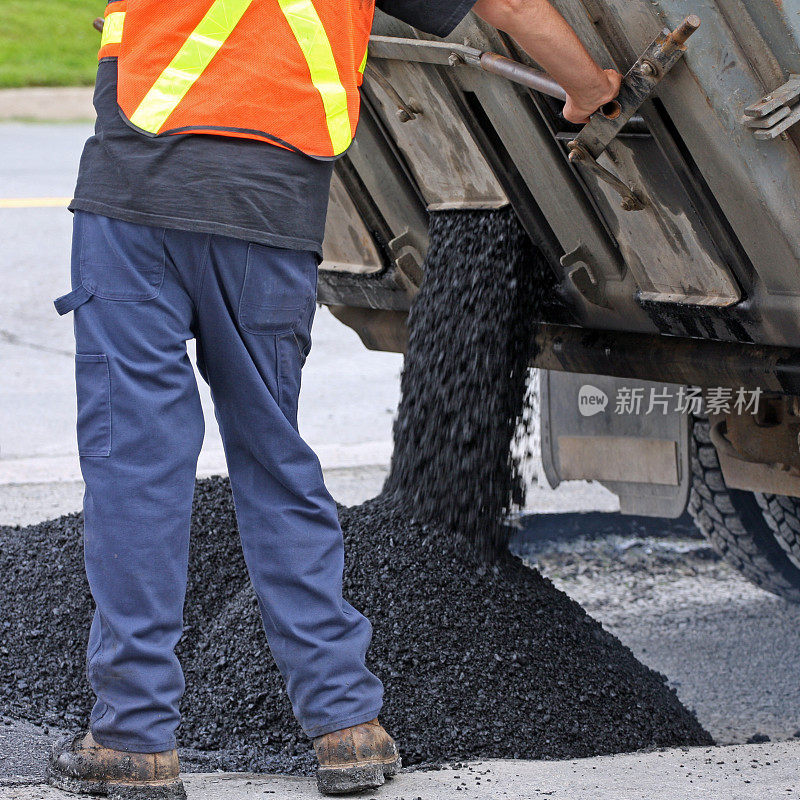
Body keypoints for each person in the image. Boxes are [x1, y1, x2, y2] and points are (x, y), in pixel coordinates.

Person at [47, 0, 622, 797]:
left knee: (135, 469)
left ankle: (136, 738)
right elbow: (509, 5)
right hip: (272, 216)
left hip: (134, 208)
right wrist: (588, 86)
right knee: (273, 459)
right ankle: (346, 726)